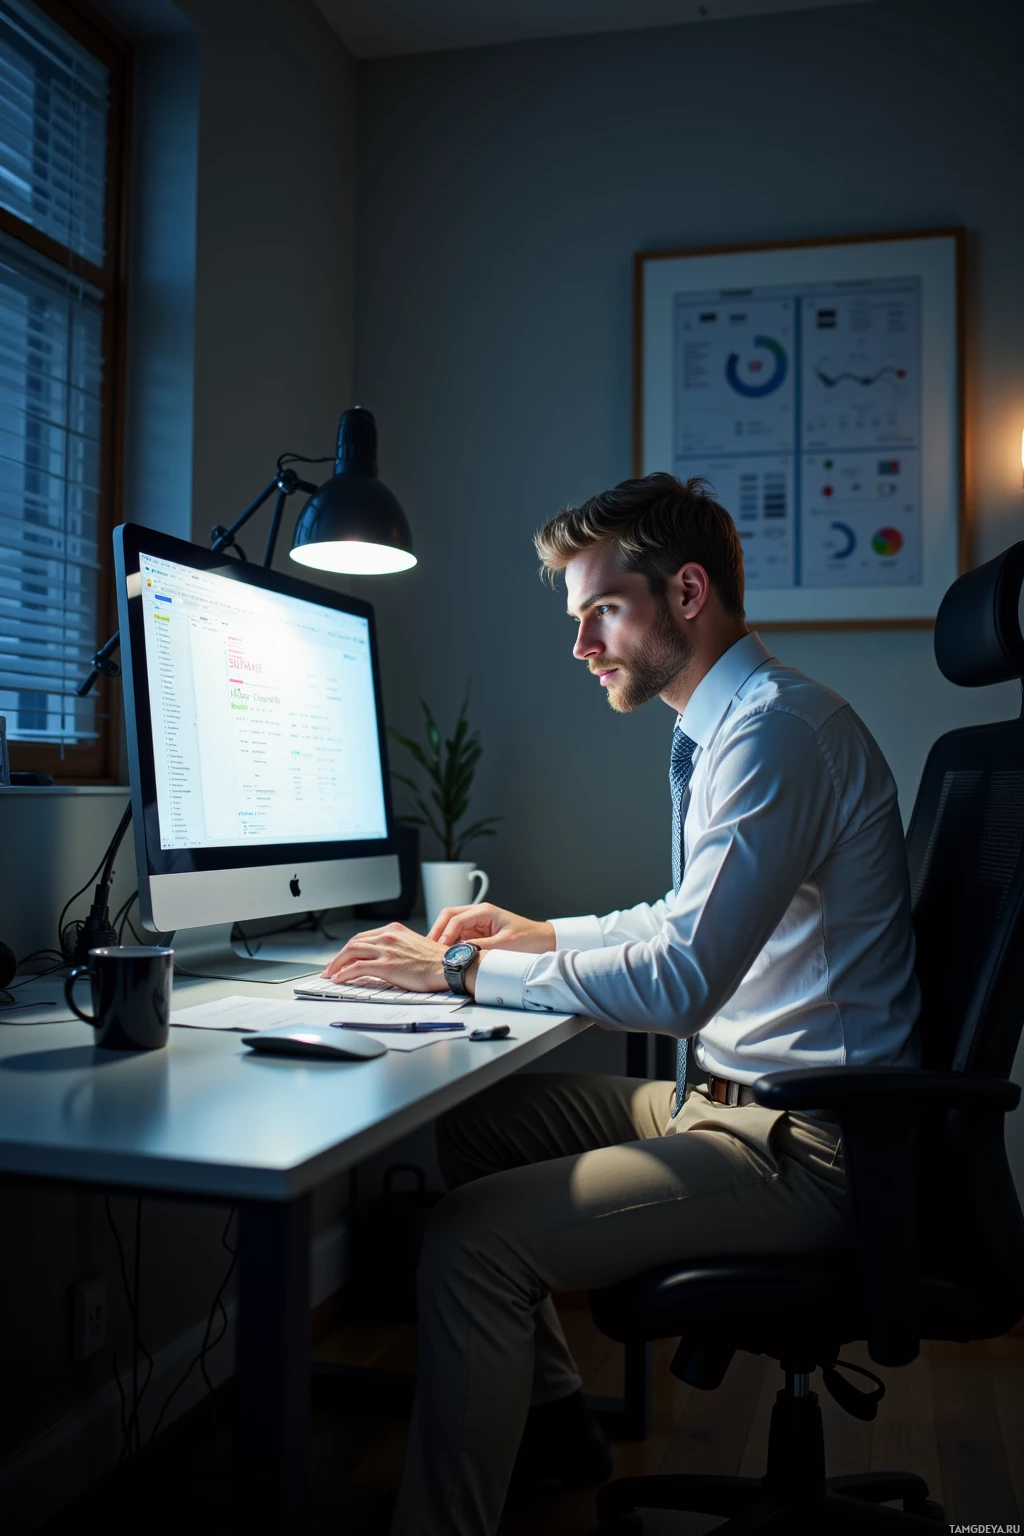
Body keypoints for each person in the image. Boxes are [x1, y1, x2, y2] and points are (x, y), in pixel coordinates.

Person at [324, 473, 921, 1536]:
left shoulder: (776, 735)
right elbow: (680, 916)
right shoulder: (731, 724)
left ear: (686, 592)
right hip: (729, 1107)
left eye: (601, 609)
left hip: (813, 1148)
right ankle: (554, 1425)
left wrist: (459, 973)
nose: (581, 645)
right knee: (476, 1130)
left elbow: (683, 981)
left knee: (471, 1242)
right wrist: (537, 935)